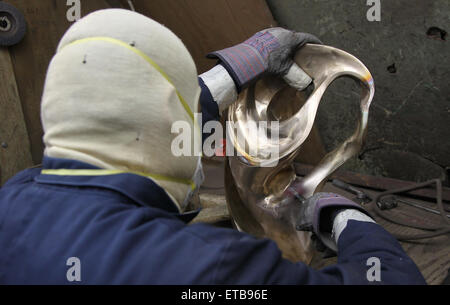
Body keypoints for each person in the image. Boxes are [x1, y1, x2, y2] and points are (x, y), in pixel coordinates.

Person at [0, 9, 425, 284]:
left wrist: (242, 64)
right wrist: (346, 218)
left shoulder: (14, 198)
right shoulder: (210, 272)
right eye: (184, 111)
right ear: (170, 115)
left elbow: (136, 113)